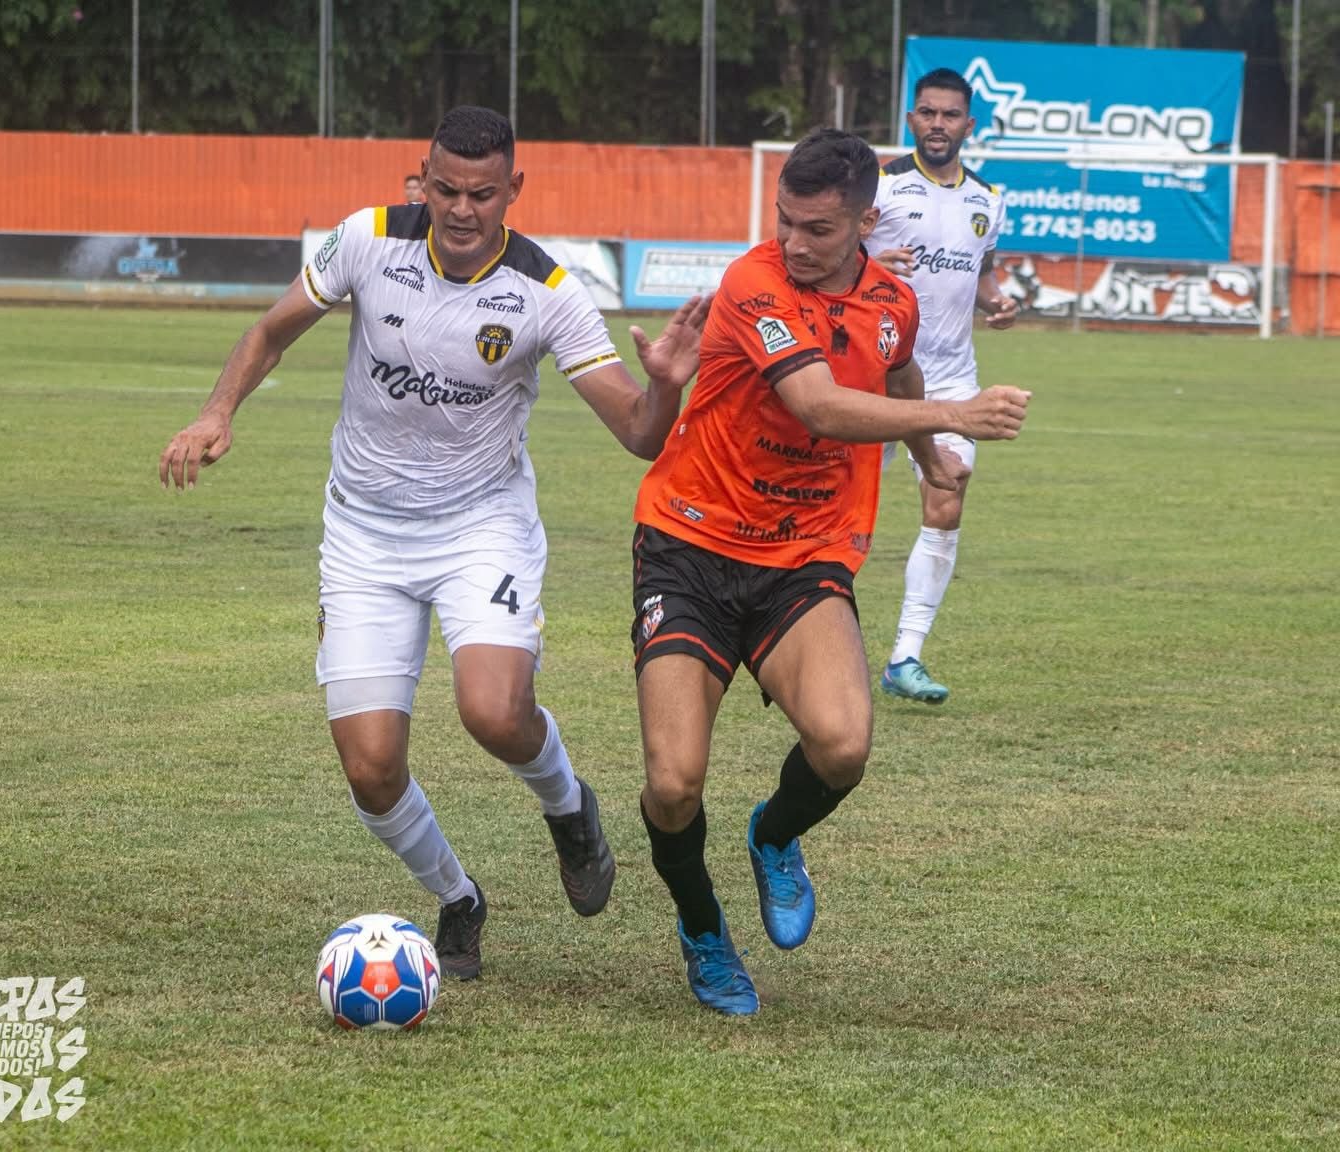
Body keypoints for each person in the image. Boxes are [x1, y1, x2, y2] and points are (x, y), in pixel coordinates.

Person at [159, 105, 707, 982]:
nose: (460, 208)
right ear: (420, 178)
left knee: (492, 710)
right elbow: (269, 332)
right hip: (364, 532)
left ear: (512, 191)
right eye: (443, 188)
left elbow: (639, 434)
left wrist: (666, 387)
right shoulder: (367, 241)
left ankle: (569, 808)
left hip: (479, 526)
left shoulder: (546, 290)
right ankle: (458, 898)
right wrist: (217, 410)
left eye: (481, 194)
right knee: (372, 768)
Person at [629, 127, 1030, 1015]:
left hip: (803, 553)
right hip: (691, 545)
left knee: (844, 747)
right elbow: (815, 402)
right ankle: (702, 928)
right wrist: (958, 411)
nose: (796, 244)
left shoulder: (893, 299)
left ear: (862, 218)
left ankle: (773, 836)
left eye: (818, 228)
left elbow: (894, 369)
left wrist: (930, 454)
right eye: (787, 222)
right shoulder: (753, 281)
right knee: (671, 781)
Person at [867, 67, 1019, 704]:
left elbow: (979, 272)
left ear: (968, 125)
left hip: (951, 376)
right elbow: (820, 256)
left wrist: (997, 300)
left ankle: (906, 655)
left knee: (947, 494)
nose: (937, 124)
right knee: (837, 504)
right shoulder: (877, 186)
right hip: (872, 372)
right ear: (911, 120)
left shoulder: (988, 199)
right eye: (927, 113)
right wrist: (868, 259)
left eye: (949, 115)